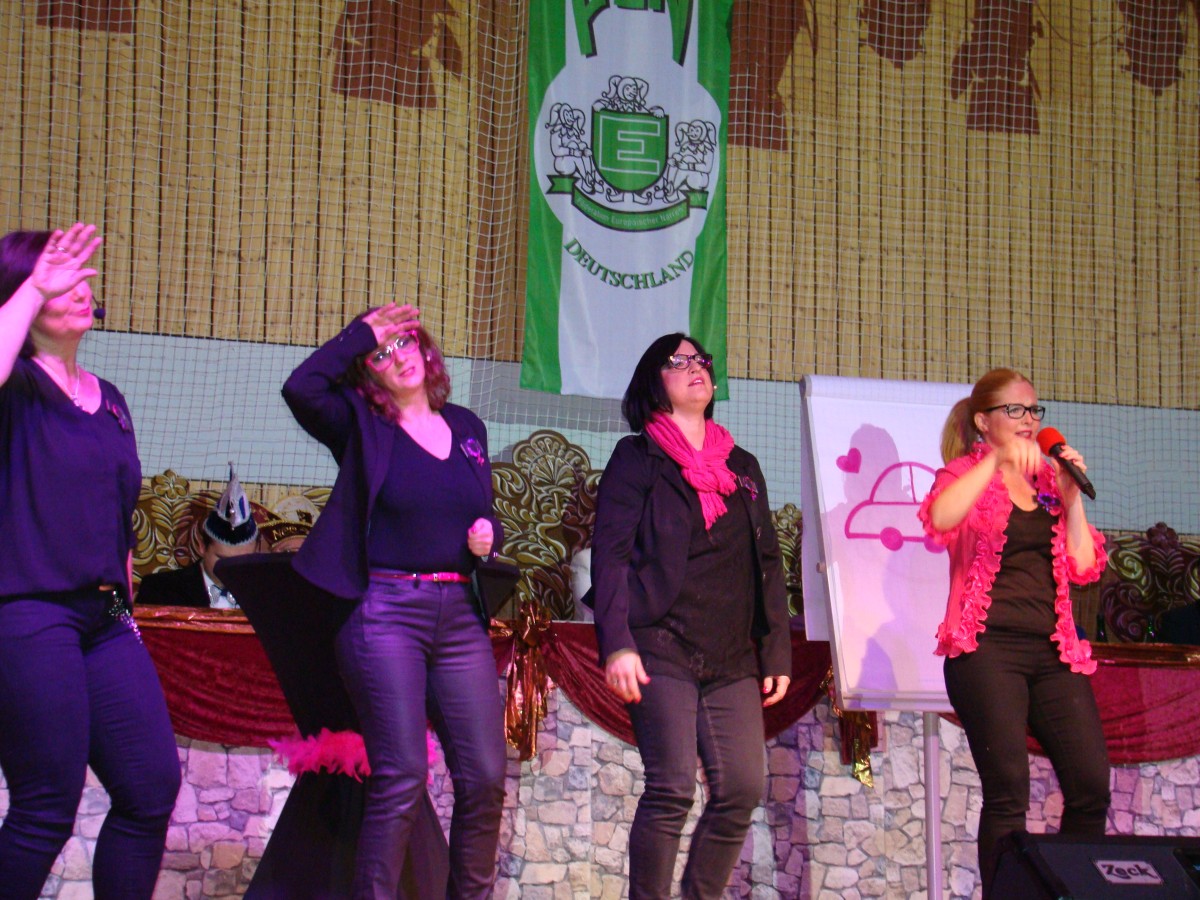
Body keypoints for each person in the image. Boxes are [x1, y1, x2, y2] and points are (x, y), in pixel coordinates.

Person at [282, 303, 507, 900]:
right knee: (402, 775)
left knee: (485, 777)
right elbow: (300, 388)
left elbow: (483, 514)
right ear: (367, 374)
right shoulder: (360, 424)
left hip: (459, 614)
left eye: (404, 343)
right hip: (385, 613)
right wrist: (361, 334)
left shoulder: (467, 426)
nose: (397, 357)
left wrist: (488, 536)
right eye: (380, 354)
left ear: (425, 350)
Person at [0, 224, 181, 899]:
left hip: (104, 616)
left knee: (150, 788)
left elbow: (117, 522)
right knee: (46, 805)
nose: (77, 288)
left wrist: (124, 611)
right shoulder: (15, 386)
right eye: (55, 279)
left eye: (80, 276)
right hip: (27, 611)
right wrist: (32, 289)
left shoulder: (111, 401)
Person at [589, 333, 792, 900]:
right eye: (677, 362)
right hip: (660, 640)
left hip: (731, 651)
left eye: (700, 359)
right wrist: (617, 642)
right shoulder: (638, 459)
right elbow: (611, 555)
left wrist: (776, 649)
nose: (694, 367)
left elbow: (768, 561)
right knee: (673, 787)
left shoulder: (741, 465)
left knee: (742, 788)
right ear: (653, 384)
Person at [918, 368, 1111, 898]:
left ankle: (1070, 892)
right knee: (1008, 794)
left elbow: (1083, 565)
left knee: (1091, 785)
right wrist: (997, 461)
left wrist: (1071, 496)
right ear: (984, 421)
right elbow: (940, 517)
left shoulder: (1048, 481)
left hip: (1053, 651)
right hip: (987, 651)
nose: (1029, 420)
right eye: (1015, 410)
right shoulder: (963, 472)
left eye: (1034, 410)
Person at [137, 464, 259, 608]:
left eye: (243, 560)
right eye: (223, 560)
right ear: (201, 546)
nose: (233, 569)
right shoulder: (160, 591)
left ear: (257, 550)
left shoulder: (270, 594)